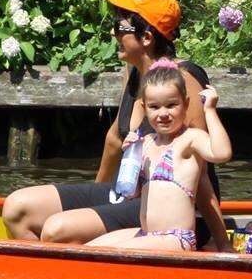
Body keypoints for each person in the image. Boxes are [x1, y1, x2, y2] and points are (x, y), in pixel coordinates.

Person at [2, 0, 225, 246]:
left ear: (146, 38)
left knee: (59, 230)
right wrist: (97, 199)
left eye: (121, 27)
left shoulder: (182, 81)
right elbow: (113, 141)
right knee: (17, 208)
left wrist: (222, 242)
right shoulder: (133, 74)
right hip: (131, 192)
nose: (113, 31)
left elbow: (201, 171)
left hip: (171, 209)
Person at [87, 61, 232, 253]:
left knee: (104, 254)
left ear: (186, 103)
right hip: (147, 235)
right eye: (154, 107)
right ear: (144, 108)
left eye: (171, 105)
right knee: (88, 249)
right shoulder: (146, 143)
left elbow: (222, 153)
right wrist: (130, 160)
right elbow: (132, 193)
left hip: (175, 238)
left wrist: (210, 111)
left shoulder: (189, 140)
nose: (163, 113)